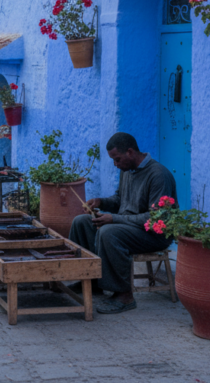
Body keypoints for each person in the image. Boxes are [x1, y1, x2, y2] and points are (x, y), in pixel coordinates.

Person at [69, 132, 176, 314]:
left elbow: (156, 219)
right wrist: (101, 202)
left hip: (153, 234)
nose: (115, 164)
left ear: (130, 152)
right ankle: (90, 281)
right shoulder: (127, 170)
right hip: (128, 227)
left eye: (117, 159)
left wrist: (115, 218)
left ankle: (124, 296)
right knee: (82, 222)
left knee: (109, 232)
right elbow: (120, 200)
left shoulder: (158, 175)